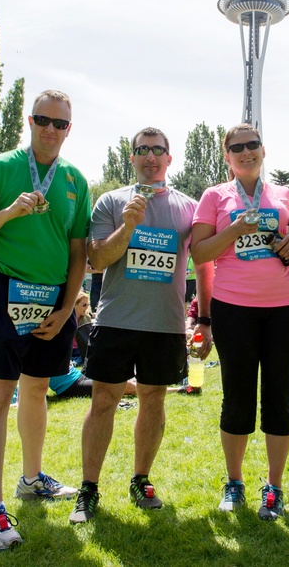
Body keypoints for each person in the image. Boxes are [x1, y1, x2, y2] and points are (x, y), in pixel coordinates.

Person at [0, 89, 90, 550]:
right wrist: (11, 210)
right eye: (43, 119)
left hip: (54, 299)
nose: (51, 129)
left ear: (70, 129)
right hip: (6, 288)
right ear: (28, 121)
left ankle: (31, 478)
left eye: (61, 123)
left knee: (36, 388)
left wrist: (68, 306)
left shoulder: (75, 179)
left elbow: (78, 251)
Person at [73, 126, 212, 524]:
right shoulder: (112, 201)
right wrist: (128, 226)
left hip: (166, 325)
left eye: (158, 150)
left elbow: (203, 263)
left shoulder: (189, 207)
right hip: (116, 320)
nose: (150, 157)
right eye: (142, 150)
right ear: (131, 158)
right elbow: (97, 260)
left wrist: (204, 317)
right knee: (103, 402)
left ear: (170, 159)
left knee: (154, 400)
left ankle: (141, 479)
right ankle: (89, 488)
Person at [190, 123, 289, 521]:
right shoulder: (214, 196)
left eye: (253, 145)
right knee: (238, 395)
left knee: (279, 395)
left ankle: (274, 487)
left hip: (286, 307)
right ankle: (235, 482)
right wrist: (235, 229)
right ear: (227, 157)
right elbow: (199, 252)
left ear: (263, 150)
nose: (246, 152)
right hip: (233, 308)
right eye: (237, 148)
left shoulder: (284, 194)